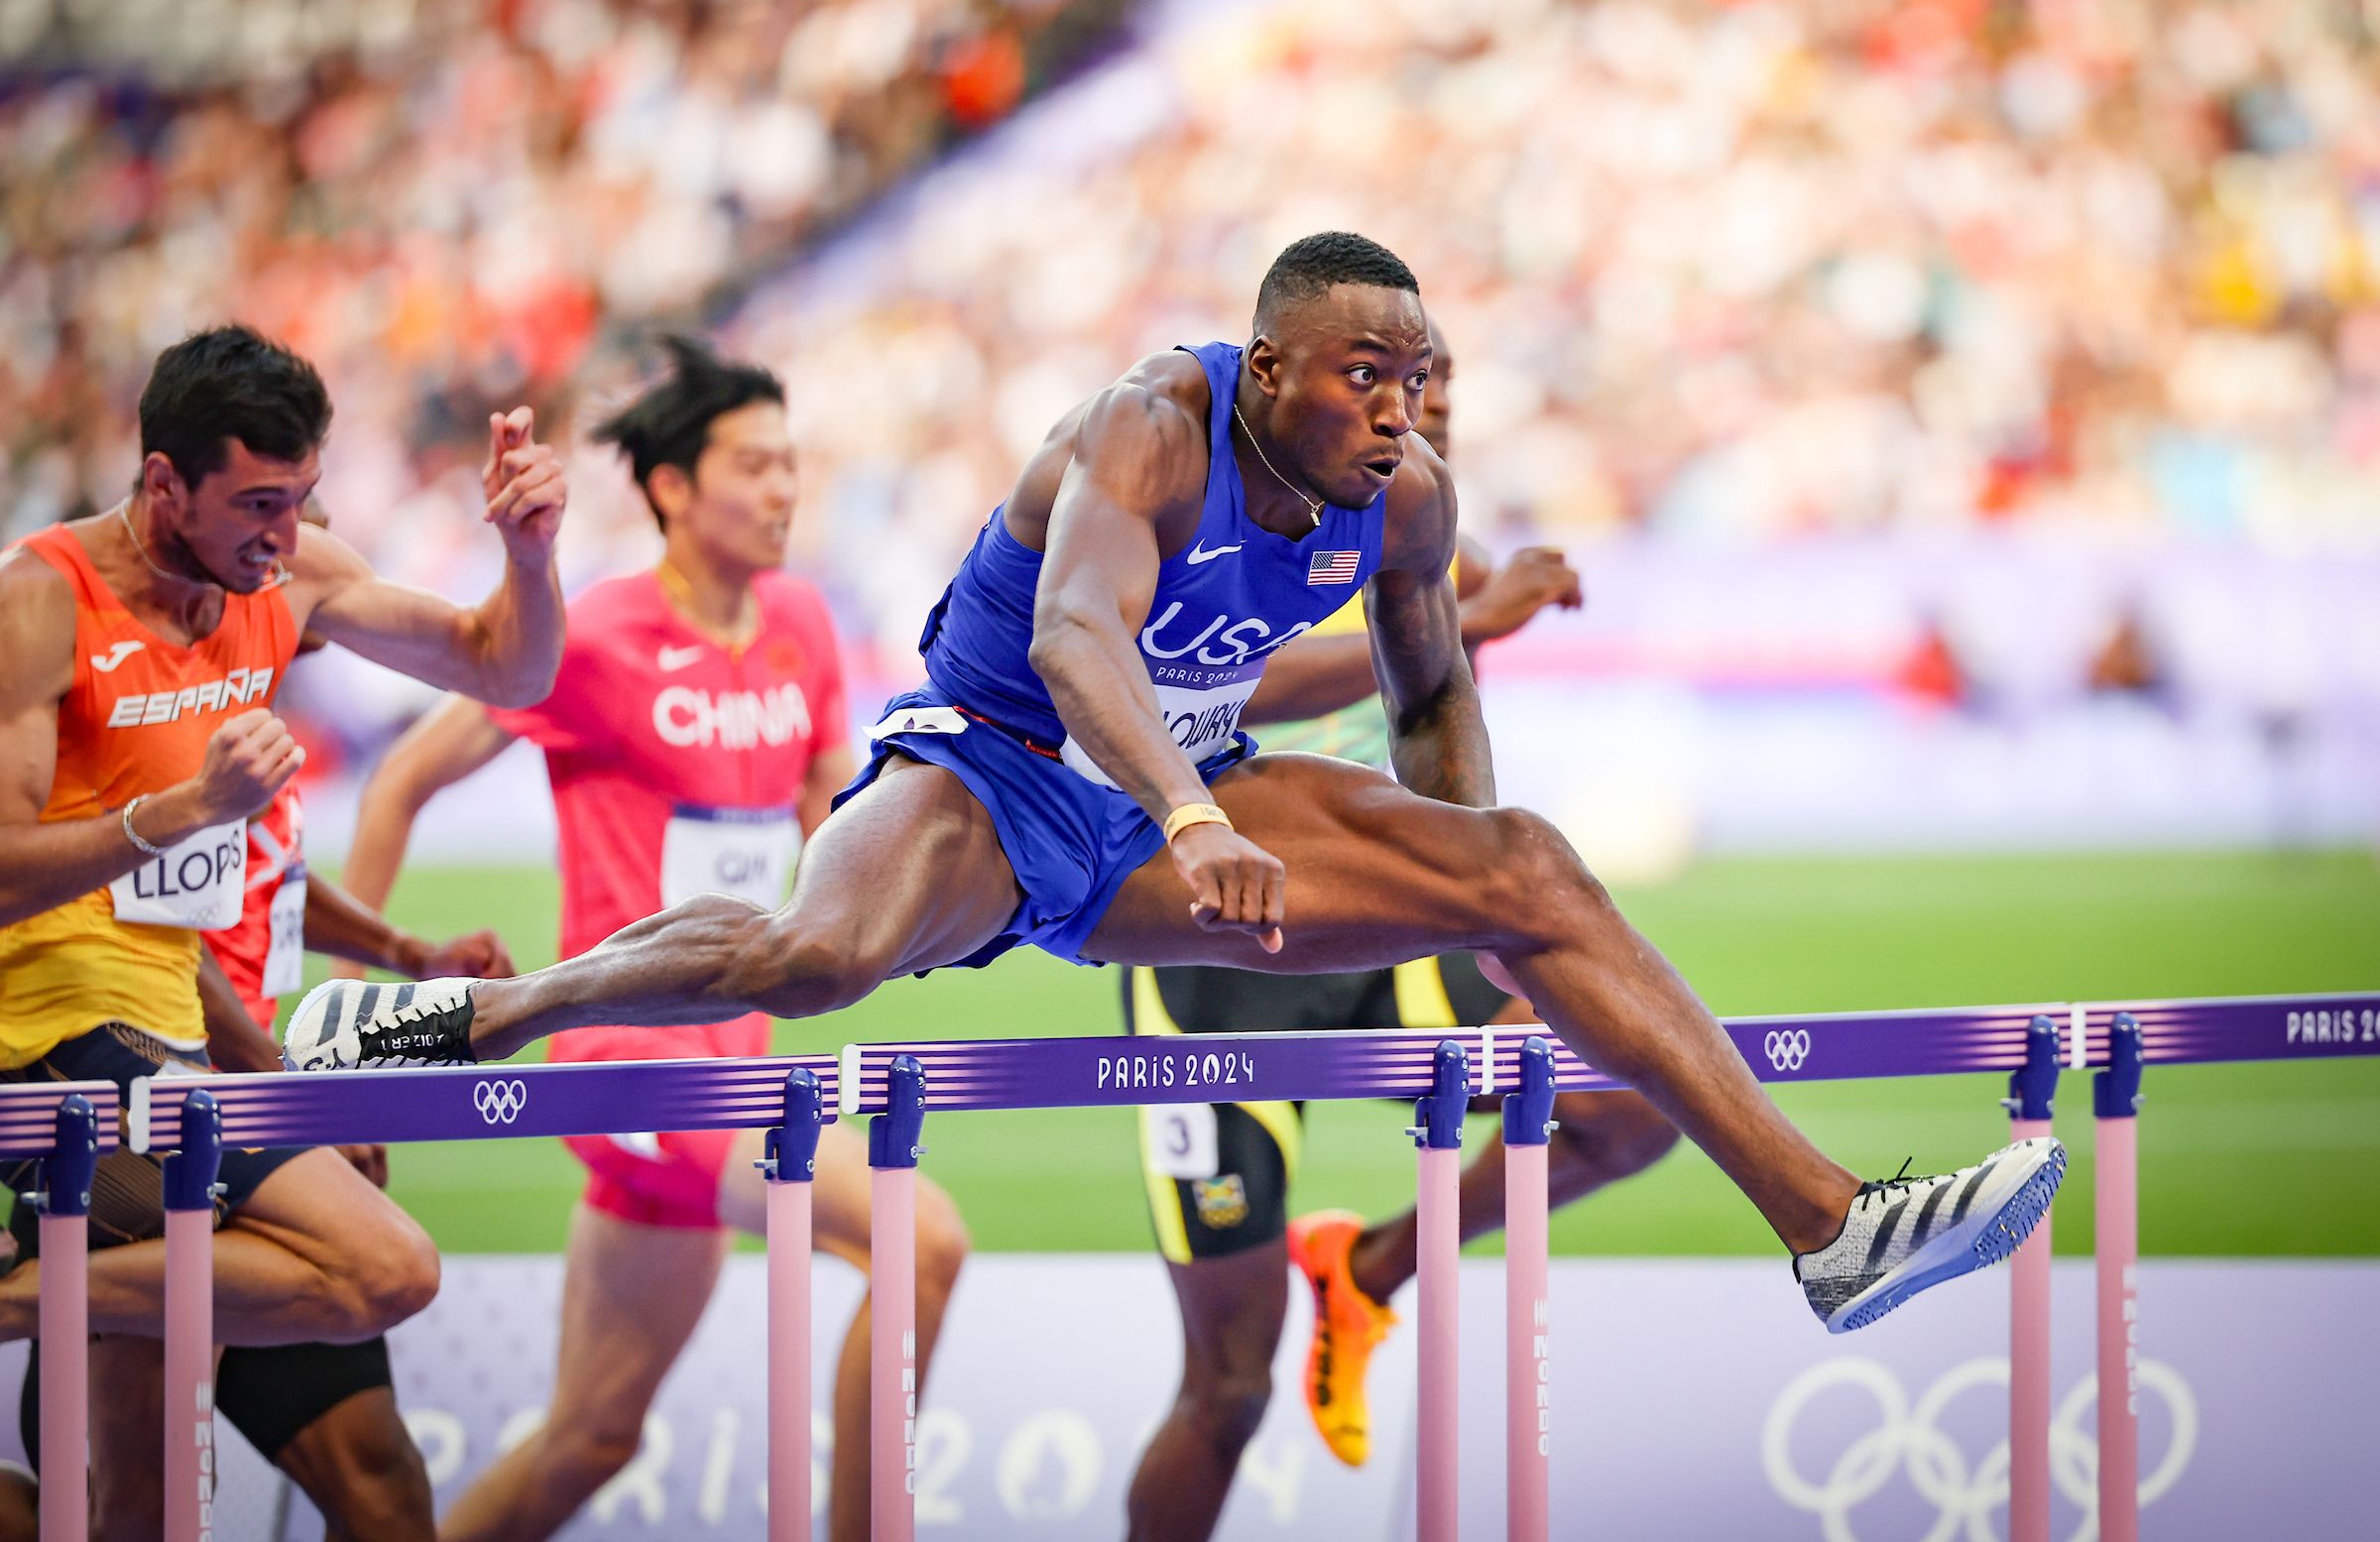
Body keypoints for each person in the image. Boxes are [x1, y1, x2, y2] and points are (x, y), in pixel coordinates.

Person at [290, 237, 2063, 1390]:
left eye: (1419, 372)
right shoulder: (1151, 422)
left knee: (1534, 869)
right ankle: (485, 1010)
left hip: (1180, 790)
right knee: (808, 958)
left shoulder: (1409, 498)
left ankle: (1835, 1228)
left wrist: (1464, 903)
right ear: (1268, 358)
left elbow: (1431, 694)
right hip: (995, 761)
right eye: (1365, 371)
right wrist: (1188, 812)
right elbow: (1072, 636)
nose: (1399, 404)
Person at [336, 337, 968, 1542]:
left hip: (741, 1053)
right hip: (628, 1057)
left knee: (593, 1433)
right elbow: (396, 787)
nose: (786, 490)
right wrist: (368, 1033)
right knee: (918, 1238)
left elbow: (837, 823)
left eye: (793, 465)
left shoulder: (799, 622)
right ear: (673, 487)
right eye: (754, 466)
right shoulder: (595, 635)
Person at [1116, 313, 1680, 1537]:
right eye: (1387, 387)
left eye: (1437, 393)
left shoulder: (1431, 541)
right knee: (1228, 1385)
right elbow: (1212, 687)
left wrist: (1487, 612)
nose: (1416, 415)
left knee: (1628, 1104)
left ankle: (1368, 1268)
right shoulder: (1212, 517)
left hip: (1377, 929)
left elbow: (1440, 714)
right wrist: (1477, 621)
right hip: (1214, 950)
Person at [0, 322, 567, 1539]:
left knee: (134, 1504)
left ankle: (39, 1293)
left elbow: (503, 670)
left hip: (169, 1029)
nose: (284, 531)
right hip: (43, 1038)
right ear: (164, 484)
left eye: (302, 500)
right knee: (388, 1269)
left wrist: (527, 556)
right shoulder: (44, 602)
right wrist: (177, 813)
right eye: (257, 501)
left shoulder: (290, 577)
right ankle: (17, 1296)